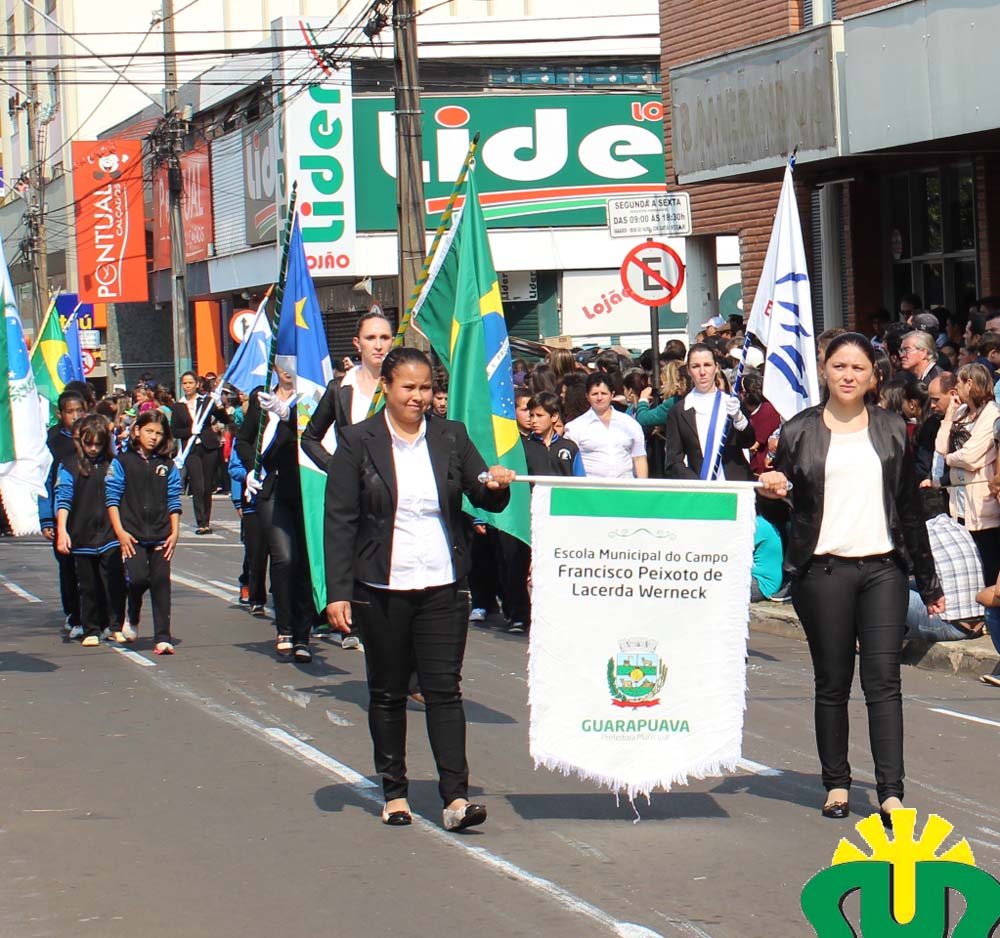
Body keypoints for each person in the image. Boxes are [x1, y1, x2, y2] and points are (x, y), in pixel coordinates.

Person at [324, 347, 514, 831]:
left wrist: (496, 484)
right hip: (380, 584)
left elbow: (482, 492)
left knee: (443, 690)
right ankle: (395, 792)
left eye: (426, 388)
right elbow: (340, 520)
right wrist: (338, 591)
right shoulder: (357, 441)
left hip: (442, 583)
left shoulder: (452, 436)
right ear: (386, 387)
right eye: (408, 387)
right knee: (388, 692)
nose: (418, 397)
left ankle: (456, 798)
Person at [759, 332, 943, 827]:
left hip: (883, 570)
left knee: (883, 681)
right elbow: (778, 489)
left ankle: (891, 793)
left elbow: (909, 509)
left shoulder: (891, 428)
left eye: (858, 368)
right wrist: (771, 485)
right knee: (833, 681)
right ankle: (837, 784)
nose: (847, 376)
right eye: (839, 366)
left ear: (873, 376)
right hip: (822, 572)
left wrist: (929, 583)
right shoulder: (799, 430)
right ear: (825, 370)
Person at [237, 367, 316, 663]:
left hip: (305, 486)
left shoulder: (311, 396)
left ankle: (302, 634)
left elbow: (316, 434)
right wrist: (251, 469)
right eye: (283, 364)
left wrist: (287, 414)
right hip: (273, 486)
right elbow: (243, 440)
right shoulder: (262, 399)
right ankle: (285, 629)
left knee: (304, 560)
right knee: (284, 557)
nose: (288, 371)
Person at [106, 410, 182, 654]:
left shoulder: (167, 465)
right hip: (132, 534)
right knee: (138, 578)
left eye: (159, 433)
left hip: (161, 533)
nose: (153, 437)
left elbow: (174, 500)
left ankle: (163, 636)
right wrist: (120, 531)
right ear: (137, 431)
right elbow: (112, 498)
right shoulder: (122, 462)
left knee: (161, 583)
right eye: (149, 431)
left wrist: (175, 532)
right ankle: (133, 612)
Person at [55, 414, 126, 648]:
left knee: (113, 581)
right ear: (80, 442)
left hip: (109, 533)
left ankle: (114, 625)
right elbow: (63, 498)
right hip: (81, 534)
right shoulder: (69, 465)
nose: (93, 448)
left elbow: (121, 494)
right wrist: (62, 530)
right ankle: (91, 628)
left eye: (98, 443)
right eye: (88, 443)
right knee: (87, 586)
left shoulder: (112, 464)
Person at [935, 363, 1000, 587]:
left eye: (959, 383)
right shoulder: (961, 412)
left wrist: (950, 458)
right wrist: (949, 414)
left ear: (970, 384)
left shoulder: (993, 415)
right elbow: (940, 447)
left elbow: (970, 457)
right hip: (958, 505)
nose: (956, 389)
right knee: (968, 573)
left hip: (983, 511)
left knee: (988, 571)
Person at [664, 344, 754, 480]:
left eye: (707, 365)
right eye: (695, 366)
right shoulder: (678, 411)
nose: (702, 372)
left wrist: (739, 418)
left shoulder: (731, 403)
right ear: (688, 370)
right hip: (701, 487)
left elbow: (748, 442)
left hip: (735, 484)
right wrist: (698, 485)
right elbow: (673, 462)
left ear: (716, 367)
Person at [39, 390, 86, 637]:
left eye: (79, 411)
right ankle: (73, 612)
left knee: (89, 567)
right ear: (60, 414)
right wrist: (46, 518)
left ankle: (93, 614)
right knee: (67, 566)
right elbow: (46, 482)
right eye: (70, 412)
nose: (75, 416)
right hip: (62, 514)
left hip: (88, 511)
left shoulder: (94, 435)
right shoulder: (53, 440)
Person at [904, 510, 984, 643]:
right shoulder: (958, 527)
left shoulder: (921, 533)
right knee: (911, 584)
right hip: (978, 624)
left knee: (884, 589)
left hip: (950, 627)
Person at [170, 371, 231, 534]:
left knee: (208, 485)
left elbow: (225, 419)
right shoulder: (178, 406)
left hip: (208, 447)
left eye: (190, 383)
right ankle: (200, 522)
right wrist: (190, 431)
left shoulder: (206, 402)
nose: (187, 386)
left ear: (197, 384)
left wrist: (219, 406)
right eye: (185, 383)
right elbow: (175, 431)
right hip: (191, 449)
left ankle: (207, 521)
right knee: (198, 485)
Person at [563, 373, 647, 479]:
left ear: (612, 395)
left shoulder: (630, 424)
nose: (599, 398)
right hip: (591, 487)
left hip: (625, 485)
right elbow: (570, 461)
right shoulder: (575, 427)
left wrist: (643, 486)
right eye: (594, 394)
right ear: (587, 396)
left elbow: (639, 458)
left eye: (604, 393)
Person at [528, 391, 585, 477]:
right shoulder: (524, 446)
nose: (534, 420)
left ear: (554, 417)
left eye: (539, 415)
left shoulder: (570, 447)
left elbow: (580, 479)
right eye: (531, 415)